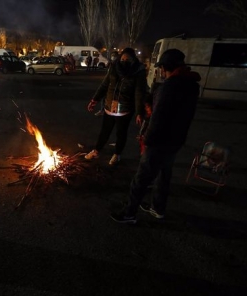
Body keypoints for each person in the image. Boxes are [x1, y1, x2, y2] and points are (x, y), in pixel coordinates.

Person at [110, 49, 201, 224]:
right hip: (176, 138)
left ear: (165, 67)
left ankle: (129, 213)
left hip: (160, 140)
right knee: (163, 174)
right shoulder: (191, 85)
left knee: (141, 178)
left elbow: (158, 117)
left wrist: (147, 138)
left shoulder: (169, 87)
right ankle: (157, 208)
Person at [85, 48, 147, 165]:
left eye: (127, 60)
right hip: (109, 106)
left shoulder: (138, 71)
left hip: (125, 109)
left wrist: (139, 112)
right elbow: (105, 85)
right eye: (123, 59)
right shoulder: (114, 67)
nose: (124, 61)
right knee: (105, 131)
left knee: (121, 133)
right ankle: (97, 150)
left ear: (133, 60)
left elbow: (139, 92)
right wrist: (95, 99)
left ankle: (117, 154)